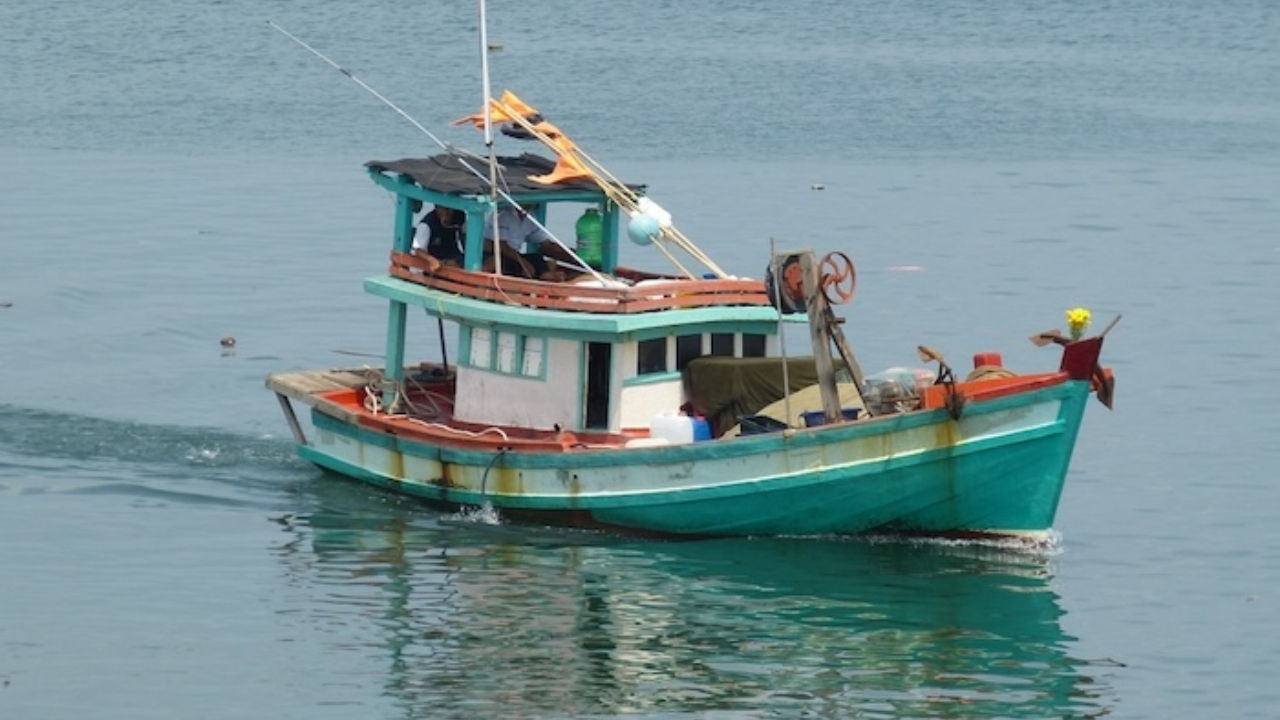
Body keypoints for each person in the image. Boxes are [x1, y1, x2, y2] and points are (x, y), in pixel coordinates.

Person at [482, 204, 571, 281]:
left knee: (536, 257)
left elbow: (545, 244)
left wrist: (570, 255)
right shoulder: (504, 215)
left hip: (513, 254)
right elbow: (502, 246)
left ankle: (544, 274)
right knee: (502, 262)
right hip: (495, 253)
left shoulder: (530, 217)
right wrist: (523, 262)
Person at [411, 205, 465, 272]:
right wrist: (432, 260)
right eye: (446, 209)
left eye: (451, 210)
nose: (448, 213)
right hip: (434, 267)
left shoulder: (457, 219)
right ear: (437, 208)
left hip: (453, 260)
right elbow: (418, 250)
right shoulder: (427, 225)